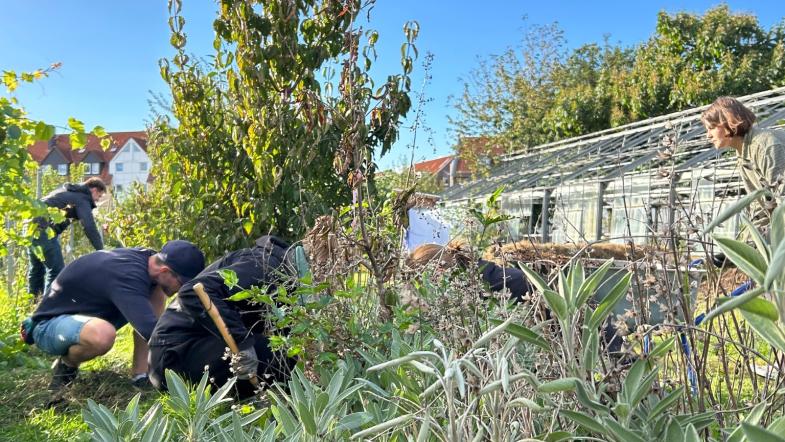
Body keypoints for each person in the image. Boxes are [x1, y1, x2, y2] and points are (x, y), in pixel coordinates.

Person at [22, 240, 205, 392]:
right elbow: (153, 332)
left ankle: (140, 375)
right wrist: (195, 359)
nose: (181, 290)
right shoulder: (128, 275)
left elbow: (154, 326)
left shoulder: (148, 261)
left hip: (81, 320)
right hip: (47, 326)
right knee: (103, 335)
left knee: (156, 291)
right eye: (182, 283)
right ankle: (67, 366)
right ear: (165, 271)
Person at [148, 236, 306, 398]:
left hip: (191, 344)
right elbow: (191, 292)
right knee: (285, 359)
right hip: (172, 358)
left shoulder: (273, 266)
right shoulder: (264, 266)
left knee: (291, 354)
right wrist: (242, 344)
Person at [702, 96, 785, 230]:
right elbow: (759, 205)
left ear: (729, 121)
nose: (708, 135)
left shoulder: (765, 146)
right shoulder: (743, 152)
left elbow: (782, 200)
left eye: (711, 127)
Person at [27, 177, 107, 297]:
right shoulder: (82, 198)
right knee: (56, 271)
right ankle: (48, 307)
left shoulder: (67, 192)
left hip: (29, 227)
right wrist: (101, 250)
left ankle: (32, 304)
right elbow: (89, 226)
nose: (97, 200)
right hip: (44, 230)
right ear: (94, 190)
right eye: (99, 196)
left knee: (36, 270)